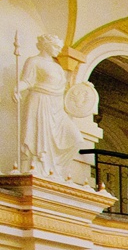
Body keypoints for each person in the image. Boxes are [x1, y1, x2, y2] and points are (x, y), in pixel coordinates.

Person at [16, 34, 80, 177]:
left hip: (56, 107)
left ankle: (56, 170)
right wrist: (16, 89)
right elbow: (27, 81)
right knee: (38, 139)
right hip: (39, 102)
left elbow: (65, 90)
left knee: (76, 139)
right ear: (46, 45)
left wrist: (84, 88)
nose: (58, 50)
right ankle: (38, 168)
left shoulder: (57, 67)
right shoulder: (34, 61)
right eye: (56, 46)